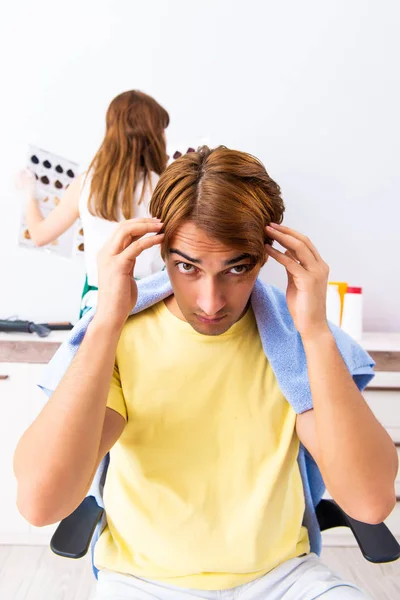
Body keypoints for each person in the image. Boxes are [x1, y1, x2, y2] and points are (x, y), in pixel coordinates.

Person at [14, 147, 398, 599]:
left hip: (281, 580)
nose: (211, 301)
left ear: (266, 257)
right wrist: (105, 322)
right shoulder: (122, 340)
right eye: (187, 267)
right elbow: (42, 504)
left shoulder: (294, 343)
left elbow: (370, 503)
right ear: (158, 250)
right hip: (141, 584)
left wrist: (314, 331)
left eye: (237, 268)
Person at [18, 90, 169, 316]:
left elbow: (39, 235)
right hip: (152, 306)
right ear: (155, 136)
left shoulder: (86, 184)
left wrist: (28, 193)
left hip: (97, 307)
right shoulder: (165, 186)